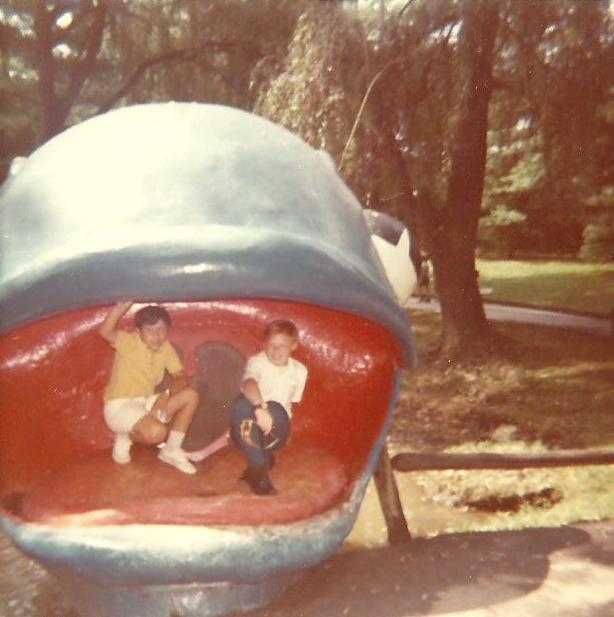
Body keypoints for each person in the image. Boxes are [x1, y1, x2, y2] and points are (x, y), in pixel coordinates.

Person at [99, 302, 199, 474]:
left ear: (168, 330)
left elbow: (181, 376)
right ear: (139, 332)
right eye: (150, 331)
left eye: (161, 330)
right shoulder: (129, 342)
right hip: (119, 407)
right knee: (157, 433)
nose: (157, 336)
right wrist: (124, 304)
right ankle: (125, 436)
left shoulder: (166, 348)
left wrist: (165, 395)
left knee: (191, 395)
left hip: (145, 404)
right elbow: (105, 332)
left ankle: (171, 451)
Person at [230, 319, 308, 495]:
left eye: (282, 345)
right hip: (249, 425)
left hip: (276, 429)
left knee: (276, 408)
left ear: (293, 346)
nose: (275, 351)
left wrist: (285, 431)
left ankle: (261, 458)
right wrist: (259, 408)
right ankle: (259, 470)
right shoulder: (257, 362)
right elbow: (249, 383)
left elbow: (290, 405)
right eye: (271, 345)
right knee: (242, 403)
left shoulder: (300, 371)